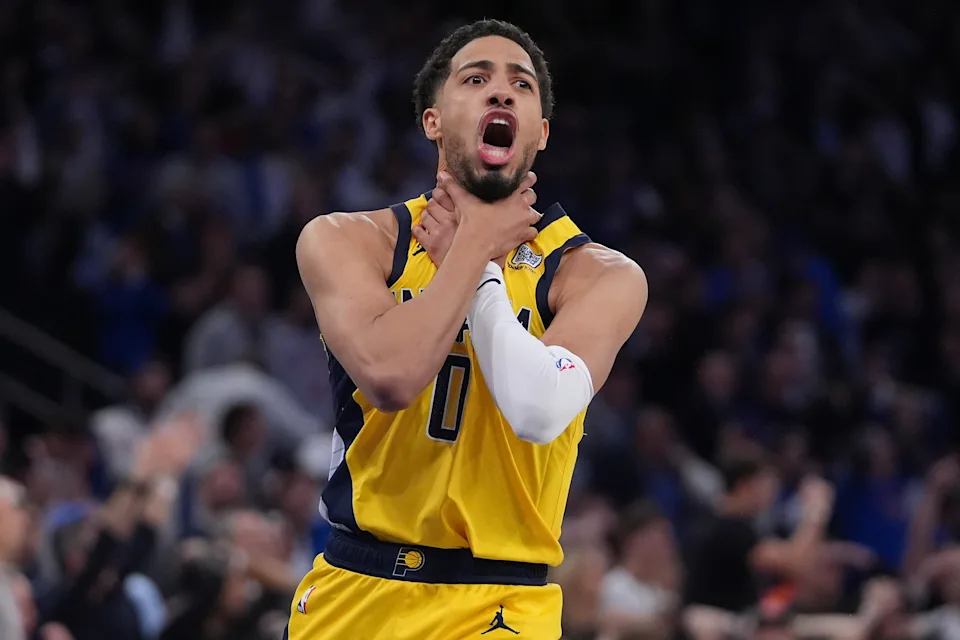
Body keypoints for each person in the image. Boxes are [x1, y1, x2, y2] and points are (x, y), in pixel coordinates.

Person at [290, 18, 647, 640]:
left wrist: (477, 267)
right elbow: (390, 376)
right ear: (433, 119)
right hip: (354, 589)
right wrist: (474, 249)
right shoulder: (350, 240)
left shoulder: (597, 275)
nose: (500, 92)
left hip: (499, 603)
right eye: (476, 78)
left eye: (521, 85)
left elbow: (538, 410)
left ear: (540, 131)